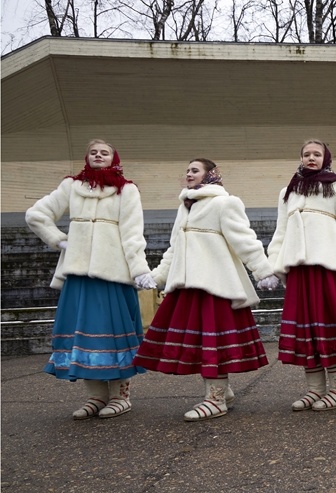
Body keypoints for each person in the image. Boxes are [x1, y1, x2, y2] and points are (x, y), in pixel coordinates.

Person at [132, 159, 274, 421]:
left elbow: (245, 240)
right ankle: (222, 392)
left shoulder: (225, 202)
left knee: (213, 341)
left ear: (211, 175)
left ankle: (215, 399)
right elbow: (174, 247)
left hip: (215, 286)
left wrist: (263, 271)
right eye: (187, 170)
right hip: (188, 286)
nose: (189, 174)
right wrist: (158, 276)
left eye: (195, 170)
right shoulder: (185, 207)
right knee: (201, 342)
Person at [25, 139, 153, 420]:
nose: (98, 156)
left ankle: (121, 396)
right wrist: (59, 240)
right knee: (80, 333)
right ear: (87, 157)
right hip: (78, 273)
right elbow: (36, 214)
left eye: (104, 152)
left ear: (113, 158)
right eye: (93, 152)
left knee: (113, 334)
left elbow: (133, 233)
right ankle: (95, 396)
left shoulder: (126, 190)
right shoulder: (71, 186)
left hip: (113, 274)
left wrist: (139, 269)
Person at [257, 140, 336, 412]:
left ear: (326, 158)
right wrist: (271, 267)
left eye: (317, 154)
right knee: (307, 327)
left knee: (329, 324)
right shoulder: (288, 191)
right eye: (306, 154)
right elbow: (281, 232)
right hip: (299, 270)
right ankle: (315, 390)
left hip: (328, 268)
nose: (311, 158)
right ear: (300, 158)